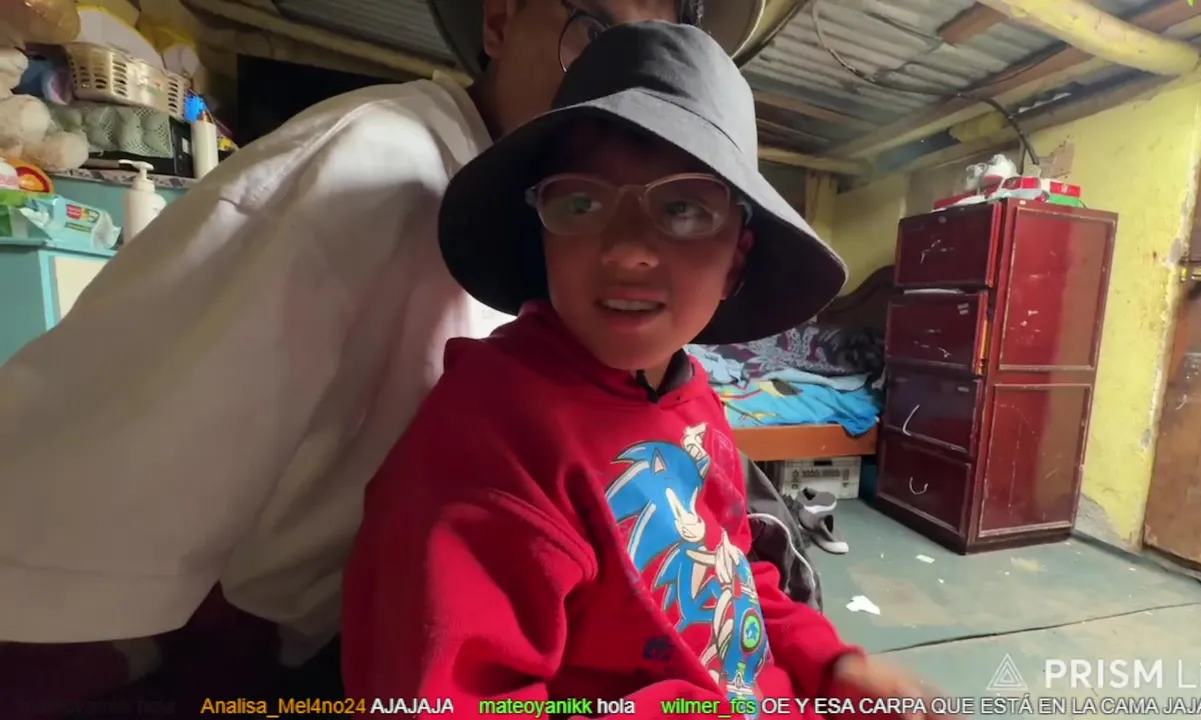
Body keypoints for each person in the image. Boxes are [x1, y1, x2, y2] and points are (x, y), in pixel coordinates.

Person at [0, 0, 762, 703]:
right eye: (596, 35)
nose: (630, 85)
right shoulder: (367, 168)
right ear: (501, 20)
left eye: (683, 208)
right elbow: (71, 541)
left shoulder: (633, 356)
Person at [343, 21, 943, 720]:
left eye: (683, 208)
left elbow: (735, 571)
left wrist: (834, 664)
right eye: (582, 202)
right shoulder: (491, 441)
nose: (627, 250)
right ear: (544, 235)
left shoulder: (690, 394)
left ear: (736, 261)